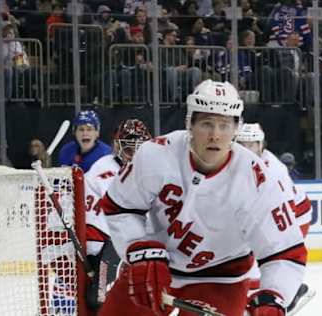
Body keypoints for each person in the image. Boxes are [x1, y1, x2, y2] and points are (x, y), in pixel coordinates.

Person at [96, 80, 307, 316]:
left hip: (221, 278)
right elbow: (119, 207)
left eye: (224, 125)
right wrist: (137, 248)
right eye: (207, 124)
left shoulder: (258, 180)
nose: (215, 135)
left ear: (236, 129)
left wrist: (274, 296)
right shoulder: (155, 154)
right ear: (190, 124)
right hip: (153, 266)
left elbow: (286, 252)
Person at [236, 122, 313, 313]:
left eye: (252, 144)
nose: (247, 149)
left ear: (262, 145)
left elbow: (284, 212)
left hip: (295, 216)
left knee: (267, 261)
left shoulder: (273, 171)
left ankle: (286, 295)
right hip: (269, 214)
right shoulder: (237, 163)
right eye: (242, 144)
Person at [84, 118, 152, 310]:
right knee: (99, 299)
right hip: (103, 241)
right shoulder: (106, 169)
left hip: (117, 240)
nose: (135, 155)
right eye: (131, 149)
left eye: (141, 149)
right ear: (118, 147)